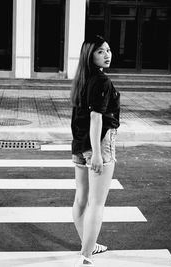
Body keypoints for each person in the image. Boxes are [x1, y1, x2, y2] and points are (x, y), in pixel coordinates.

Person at [70, 35, 120, 267]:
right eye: (100, 51)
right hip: (98, 143)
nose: (107, 55)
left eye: (108, 50)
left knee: (81, 199)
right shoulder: (101, 81)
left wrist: (80, 148)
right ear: (90, 55)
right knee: (96, 203)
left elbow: (77, 117)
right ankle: (86, 256)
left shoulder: (82, 79)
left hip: (81, 144)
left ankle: (87, 245)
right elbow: (95, 117)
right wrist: (97, 153)